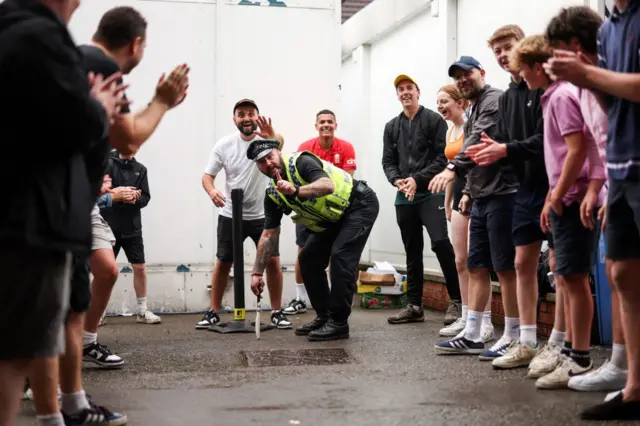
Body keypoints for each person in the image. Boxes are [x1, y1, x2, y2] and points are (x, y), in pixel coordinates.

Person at [0, 0, 127, 424]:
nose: (78, 4)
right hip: (31, 218)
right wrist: (98, 107)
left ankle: (59, 414)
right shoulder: (39, 37)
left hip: (33, 214)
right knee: (19, 351)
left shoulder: (16, 30)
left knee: (30, 341)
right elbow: (74, 126)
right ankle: (65, 410)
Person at [544, 0, 640, 419]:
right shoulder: (611, 28)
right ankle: (631, 383)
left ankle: (611, 366)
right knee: (620, 272)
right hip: (620, 167)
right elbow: (609, 114)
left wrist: (586, 74)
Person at [80, 6, 189, 369]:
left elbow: (120, 134)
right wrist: (162, 101)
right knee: (63, 296)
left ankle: (86, 343)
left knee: (107, 272)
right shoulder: (103, 66)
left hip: (86, 202)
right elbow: (128, 139)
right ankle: (44, 378)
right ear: (136, 43)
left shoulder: (81, 60)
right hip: (64, 200)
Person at [512, 34, 604, 389]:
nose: (521, 76)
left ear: (539, 67)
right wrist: (553, 194)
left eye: (524, 69)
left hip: (574, 199)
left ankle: (579, 357)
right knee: (565, 276)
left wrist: (557, 196)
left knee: (575, 278)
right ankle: (570, 351)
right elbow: (561, 157)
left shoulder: (561, 97)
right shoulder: (552, 97)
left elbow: (578, 150)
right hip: (564, 196)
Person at [463, 25, 549, 369]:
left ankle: (564, 346)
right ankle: (524, 340)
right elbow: (504, 145)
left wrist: (502, 153)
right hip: (524, 188)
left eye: (508, 47)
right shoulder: (511, 95)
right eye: (497, 49)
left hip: (550, 186)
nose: (503, 55)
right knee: (518, 265)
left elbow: (548, 140)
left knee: (563, 270)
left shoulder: (545, 88)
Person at [430, 56, 520, 360]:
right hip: (480, 195)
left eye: (467, 74)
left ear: (481, 73)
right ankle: (471, 334)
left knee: (505, 269)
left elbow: (479, 143)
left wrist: (452, 168)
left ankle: (513, 335)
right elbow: (475, 156)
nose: (463, 80)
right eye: (458, 78)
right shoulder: (474, 106)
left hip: (503, 193)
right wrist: (467, 191)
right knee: (476, 265)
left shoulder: (493, 99)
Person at [246, 139, 379, 341]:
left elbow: (327, 185)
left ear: (278, 153)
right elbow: (269, 234)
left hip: (359, 205)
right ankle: (324, 316)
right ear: (258, 166)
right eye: (262, 162)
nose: (269, 163)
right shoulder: (272, 194)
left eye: (270, 156)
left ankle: (338, 322)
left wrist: (295, 190)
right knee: (308, 259)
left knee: (341, 256)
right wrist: (256, 272)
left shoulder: (301, 162)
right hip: (333, 218)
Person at [197, 99, 291, 330]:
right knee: (223, 261)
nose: (246, 118)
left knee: (272, 261)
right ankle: (213, 311)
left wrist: (272, 136)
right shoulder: (224, 145)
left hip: (264, 215)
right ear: (235, 120)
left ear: (256, 117)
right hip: (231, 213)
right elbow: (207, 176)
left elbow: (280, 145)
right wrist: (211, 190)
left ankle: (277, 312)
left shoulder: (267, 141)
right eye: (241, 114)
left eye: (250, 113)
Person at [382, 74, 461, 327]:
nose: (405, 92)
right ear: (397, 96)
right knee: (412, 251)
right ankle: (414, 306)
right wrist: (397, 181)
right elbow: (388, 162)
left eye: (409, 88)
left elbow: (442, 158)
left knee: (440, 242)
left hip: (432, 191)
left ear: (418, 92)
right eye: (401, 89)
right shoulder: (391, 126)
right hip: (405, 196)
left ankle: (457, 301)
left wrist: (417, 178)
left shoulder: (433, 120)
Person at [284, 109, 357, 315]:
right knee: (303, 251)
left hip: (336, 211)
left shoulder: (346, 148)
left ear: (336, 125)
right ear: (316, 126)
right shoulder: (305, 148)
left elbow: (347, 181)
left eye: (330, 122)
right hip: (308, 208)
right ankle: (300, 299)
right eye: (322, 122)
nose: (326, 125)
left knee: (337, 254)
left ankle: (335, 298)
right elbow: (298, 178)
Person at [436, 85, 494, 342]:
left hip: (474, 193)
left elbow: (473, 165)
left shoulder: (472, 125)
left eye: (444, 101)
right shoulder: (450, 131)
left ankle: (485, 321)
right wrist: (447, 201)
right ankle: (466, 317)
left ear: (459, 101)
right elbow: (450, 170)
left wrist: (468, 194)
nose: (439, 106)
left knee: (477, 262)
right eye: (437, 102)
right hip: (457, 196)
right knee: (460, 261)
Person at [101, 149, 160, 324]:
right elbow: (98, 193)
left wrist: (134, 198)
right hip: (108, 227)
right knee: (105, 271)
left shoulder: (140, 169)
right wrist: (118, 196)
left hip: (132, 228)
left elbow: (146, 197)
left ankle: (142, 311)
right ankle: (99, 312)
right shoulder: (107, 164)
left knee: (140, 267)